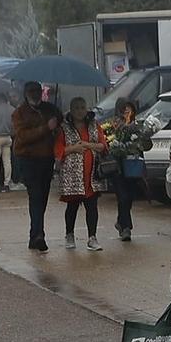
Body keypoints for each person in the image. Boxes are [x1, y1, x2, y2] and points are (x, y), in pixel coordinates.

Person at [9, 80, 59, 252]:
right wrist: (46, 128)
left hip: (46, 159)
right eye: (31, 91)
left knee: (42, 197)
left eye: (37, 90)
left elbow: (59, 124)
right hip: (28, 160)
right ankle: (39, 234)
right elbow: (22, 136)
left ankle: (35, 234)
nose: (35, 94)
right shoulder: (19, 113)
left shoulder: (49, 109)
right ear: (26, 93)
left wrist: (56, 123)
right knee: (36, 195)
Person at [103, 98, 153, 242]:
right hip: (117, 167)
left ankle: (121, 222)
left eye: (129, 108)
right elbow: (107, 141)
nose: (126, 111)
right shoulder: (112, 126)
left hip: (133, 167)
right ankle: (126, 228)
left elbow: (147, 145)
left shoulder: (137, 126)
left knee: (129, 197)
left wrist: (143, 139)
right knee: (123, 196)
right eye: (124, 108)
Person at [58, 97, 106, 250]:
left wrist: (87, 145)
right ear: (71, 110)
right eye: (76, 108)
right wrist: (73, 149)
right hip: (72, 175)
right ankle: (69, 234)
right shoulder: (63, 127)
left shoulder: (93, 124)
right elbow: (58, 150)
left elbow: (102, 145)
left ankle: (92, 237)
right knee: (72, 206)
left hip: (92, 174)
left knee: (92, 206)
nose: (80, 111)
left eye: (82, 107)